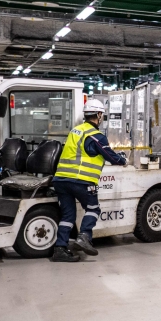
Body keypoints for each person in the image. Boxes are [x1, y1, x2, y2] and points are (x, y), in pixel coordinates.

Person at [50, 98, 127, 263]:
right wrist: (122, 160)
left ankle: (60, 249)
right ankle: (84, 236)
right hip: (81, 181)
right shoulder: (95, 135)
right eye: (102, 115)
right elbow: (110, 156)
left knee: (68, 215)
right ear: (99, 115)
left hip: (61, 180)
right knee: (93, 209)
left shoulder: (75, 131)